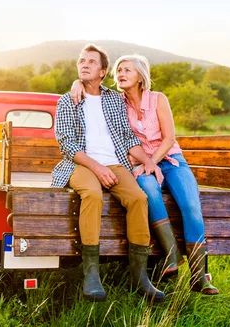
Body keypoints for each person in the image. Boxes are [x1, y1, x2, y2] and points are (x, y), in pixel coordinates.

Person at [71, 54, 219, 295]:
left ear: (140, 76)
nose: (121, 74)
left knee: (191, 205)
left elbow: (169, 138)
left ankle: (199, 277)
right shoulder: (116, 102)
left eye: (127, 70)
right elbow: (92, 90)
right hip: (138, 162)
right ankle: (171, 256)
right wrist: (77, 83)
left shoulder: (158, 100)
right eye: (118, 70)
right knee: (149, 192)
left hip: (170, 159)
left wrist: (153, 163)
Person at [52, 44, 165, 303]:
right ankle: (91, 273)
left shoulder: (114, 99)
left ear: (103, 72)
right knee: (92, 193)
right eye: (82, 60)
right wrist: (97, 168)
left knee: (138, 198)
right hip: (80, 165)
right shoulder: (67, 100)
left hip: (114, 164)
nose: (84, 64)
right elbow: (67, 144)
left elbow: (127, 137)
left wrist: (148, 161)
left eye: (91, 62)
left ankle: (140, 277)